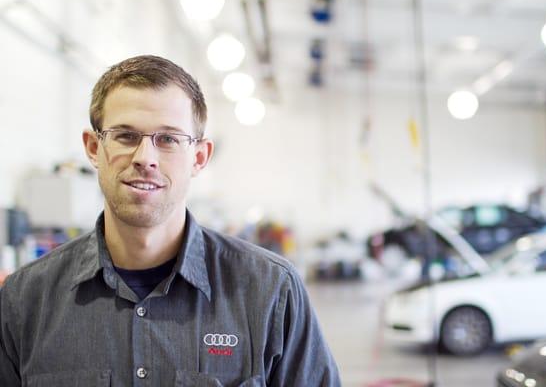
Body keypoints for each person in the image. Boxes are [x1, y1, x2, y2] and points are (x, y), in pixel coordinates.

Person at [0, 55, 341, 386]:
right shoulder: (25, 300)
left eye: (168, 139)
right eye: (126, 136)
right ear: (93, 147)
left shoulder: (270, 293)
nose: (145, 158)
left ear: (199, 156)